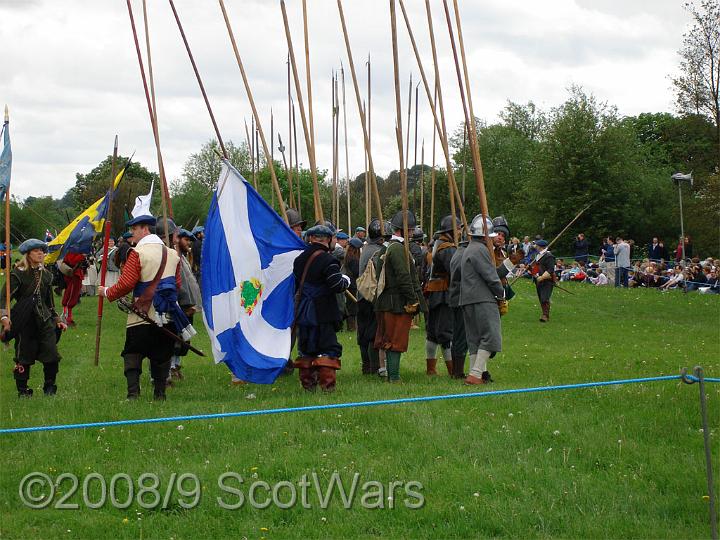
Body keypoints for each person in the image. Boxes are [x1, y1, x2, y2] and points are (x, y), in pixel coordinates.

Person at [99, 210, 194, 401]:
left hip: (142, 312)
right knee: (162, 354)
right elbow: (176, 284)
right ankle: (160, 394)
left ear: (145, 229)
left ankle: (133, 395)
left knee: (133, 352)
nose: (132, 232)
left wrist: (107, 292)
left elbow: (126, 283)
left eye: (134, 228)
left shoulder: (137, 253)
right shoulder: (172, 254)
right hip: (166, 312)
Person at [1, 239, 67, 397]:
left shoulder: (47, 275)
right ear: (28, 254)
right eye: (36, 251)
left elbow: (49, 302)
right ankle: (23, 390)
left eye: (42, 251)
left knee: (51, 353)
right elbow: (4, 298)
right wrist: (4, 317)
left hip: (45, 320)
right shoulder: (18, 273)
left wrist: (58, 320)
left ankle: (49, 387)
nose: (40, 253)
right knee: (24, 355)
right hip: (25, 321)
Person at [292, 222, 350, 392]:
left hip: (303, 310)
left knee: (307, 347)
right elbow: (335, 285)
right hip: (323, 311)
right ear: (328, 239)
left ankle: (308, 385)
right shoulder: (328, 259)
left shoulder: (299, 259)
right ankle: (327, 385)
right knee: (327, 347)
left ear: (311, 238)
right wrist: (345, 281)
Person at [373, 210, 427, 382]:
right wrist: (413, 300)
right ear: (401, 230)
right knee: (395, 341)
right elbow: (404, 277)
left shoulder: (391, 247)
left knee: (390, 340)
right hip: (395, 303)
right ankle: (394, 377)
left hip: (390, 301)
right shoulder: (397, 249)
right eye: (410, 230)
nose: (412, 233)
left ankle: (391, 375)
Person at [459, 215, 505, 385]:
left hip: (468, 299)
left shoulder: (469, 249)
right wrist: (501, 294)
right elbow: (491, 276)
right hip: (482, 298)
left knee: (475, 338)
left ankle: (474, 373)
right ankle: (476, 374)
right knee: (490, 336)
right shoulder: (480, 250)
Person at [424, 215, 460, 376]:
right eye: (458, 229)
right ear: (452, 230)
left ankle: (431, 369)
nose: (460, 232)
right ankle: (452, 370)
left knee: (433, 333)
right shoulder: (447, 248)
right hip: (443, 294)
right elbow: (455, 273)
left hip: (435, 293)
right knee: (445, 333)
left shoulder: (439, 244)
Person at [355, 218, 391, 375]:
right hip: (371, 297)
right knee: (372, 334)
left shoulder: (366, 248)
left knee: (363, 333)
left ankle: (366, 366)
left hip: (361, 296)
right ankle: (373, 366)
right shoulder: (378, 251)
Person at [169, 225, 202, 383]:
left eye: (190, 240)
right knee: (174, 339)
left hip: (188, 306)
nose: (188, 243)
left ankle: (176, 365)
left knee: (183, 341)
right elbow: (178, 284)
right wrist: (186, 303)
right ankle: (170, 368)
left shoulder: (183, 258)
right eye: (186, 239)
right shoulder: (174, 257)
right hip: (179, 306)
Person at [59, 250, 87, 325]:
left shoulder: (73, 247)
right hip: (74, 274)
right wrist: (82, 256)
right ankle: (67, 318)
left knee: (71, 294)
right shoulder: (73, 248)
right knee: (71, 295)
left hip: (75, 274)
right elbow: (72, 261)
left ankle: (67, 317)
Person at [532, 239, 556, 322]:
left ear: (540, 247)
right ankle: (544, 313)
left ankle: (545, 315)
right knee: (541, 298)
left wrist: (542, 277)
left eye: (537, 245)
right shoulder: (538, 255)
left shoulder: (549, 256)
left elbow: (550, 269)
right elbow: (536, 266)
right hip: (538, 280)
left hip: (547, 280)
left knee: (544, 298)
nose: (535, 247)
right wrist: (531, 270)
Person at [342, 238, 362, 332]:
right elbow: (356, 272)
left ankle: (352, 326)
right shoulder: (353, 259)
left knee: (351, 306)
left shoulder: (348, 257)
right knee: (352, 307)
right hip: (353, 285)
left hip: (350, 284)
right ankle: (352, 327)